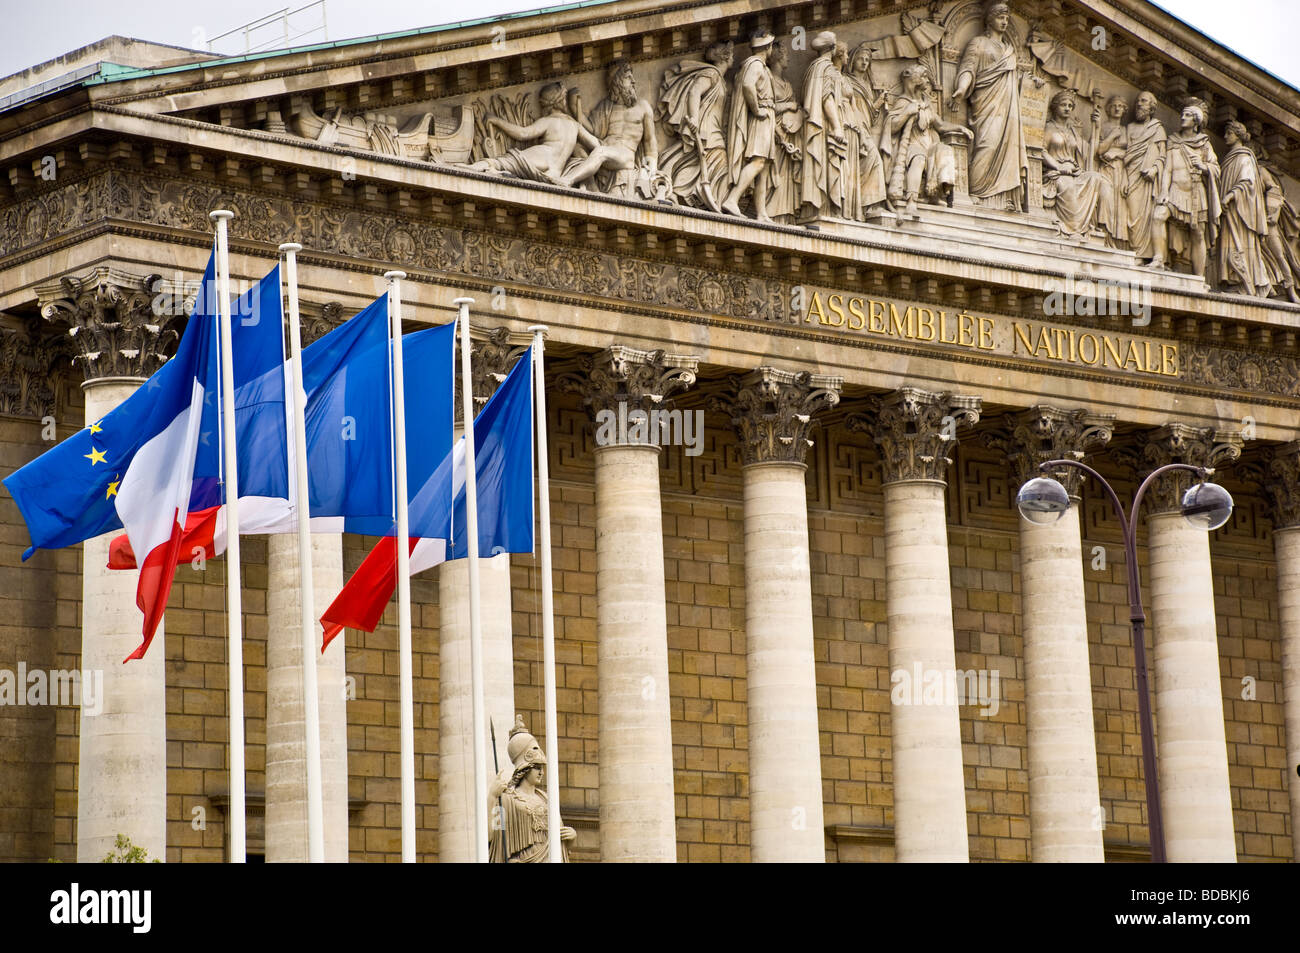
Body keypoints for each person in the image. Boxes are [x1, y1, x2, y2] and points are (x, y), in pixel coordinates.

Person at [947, 1, 1027, 210]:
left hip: (1008, 106)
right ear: (990, 19)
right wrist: (961, 90)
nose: (1004, 22)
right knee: (987, 145)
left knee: (1009, 147)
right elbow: (968, 69)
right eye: (1000, 18)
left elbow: (1016, 79)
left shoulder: (1009, 50)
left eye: (1007, 18)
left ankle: (1003, 198)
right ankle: (978, 191)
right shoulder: (978, 43)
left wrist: (1032, 84)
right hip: (986, 104)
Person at [881, 62, 971, 217]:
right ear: (915, 80)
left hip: (929, 145)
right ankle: (911, 201)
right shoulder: (903, 102)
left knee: (945, 150)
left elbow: (941, 125)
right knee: (919, 158)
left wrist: (960, 128)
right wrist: (907, 113)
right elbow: (892, 126)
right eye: (924, 77)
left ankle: (938, 194)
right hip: (911, 146)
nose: (927, 81)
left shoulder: (926, 104)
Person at [560, 58, 659, 195]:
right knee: (576, 145)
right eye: (628, 78)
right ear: (617, 82)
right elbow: (593, 129)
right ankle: (592, 188)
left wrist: (652, 172)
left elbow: (649, 141)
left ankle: (567, 180)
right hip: (604, 146)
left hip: (625, 155)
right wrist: (573, 106)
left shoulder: (643, 107)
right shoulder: (606, 106)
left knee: (601, 153)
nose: (634, 81)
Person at [488, 716, 577, 863]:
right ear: (524, 768)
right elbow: (491, 836)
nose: (541, 772)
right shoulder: (506, 799)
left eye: (542, 768)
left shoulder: (546, 798)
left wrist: (571, 837)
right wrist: (492, 796)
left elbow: (560, 841)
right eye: (537, 767)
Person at [657, 40, 734, 211]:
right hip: (706, 128)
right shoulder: (712, 73)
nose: (733, 58)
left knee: (704, 162)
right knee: (715, 161)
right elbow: (694, 92)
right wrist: (694, 120)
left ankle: (703, 198)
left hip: (714, 129)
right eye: (732, 54)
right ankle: (682, 191)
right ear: (725, 56)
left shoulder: (721, 80)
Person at [467, 83, 595, 183]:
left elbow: (523, 133)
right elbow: (597, 146)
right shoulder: (576, 126)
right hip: (555, 172)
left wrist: (497, 121)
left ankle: (473, 168)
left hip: (543, 157)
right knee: (510, 166)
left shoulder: (548, 121)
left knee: (507, 161)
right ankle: (496, 173)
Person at [1153, 97, 1220, 277]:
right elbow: (1167, 170)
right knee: (1158, 216)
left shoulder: (1204, 144)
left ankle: (1199, 277)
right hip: (1174, 191)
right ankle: (1158, 259)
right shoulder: (1173, 141)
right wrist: (1163, 192)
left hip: (1195, 193)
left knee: (1198, 234)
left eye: (1188, 115)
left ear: (1196, 122)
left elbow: (1215, 169)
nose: (1183, 117)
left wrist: (1203, 166)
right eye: (1183, 114)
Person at [1041, 90, 1113, 239]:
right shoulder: (1049, 127)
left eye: (1070, 105)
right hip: (1056, 173)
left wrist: (1097, 127)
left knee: (1097, 179)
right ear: (1055, 107)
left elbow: (1089, 152)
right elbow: (1041, 151)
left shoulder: (1073, 131)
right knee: (1066, 186)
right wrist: (1058, 167)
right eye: (1063, 105)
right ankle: (1072, 229)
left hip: (1074, 171)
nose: (1067, 108)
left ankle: (1099, 229)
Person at [722, 30, 777, 221]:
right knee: (758, 161)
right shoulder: (755, 64)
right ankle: (732, 199)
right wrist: (756, 110)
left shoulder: (761, 66)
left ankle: (761, 212)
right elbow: (747, 85)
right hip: (760, 117)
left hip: (767, 117)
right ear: (768, 47)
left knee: (764, 166)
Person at [1216, 121, 1271, 297]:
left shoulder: (1245, 158)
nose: (1225, 136)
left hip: (1240, 213)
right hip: (1228, 211)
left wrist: (1230, 195)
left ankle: (1244, 281)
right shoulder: (1230, 158)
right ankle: (1233, 278)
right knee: (1229, 244)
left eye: (1229, 133)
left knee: (1239, 244)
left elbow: (1247, 183)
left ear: (1238, 135)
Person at [800, 30, 848, 221]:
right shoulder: (826, 68)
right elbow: (826, 98)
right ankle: (825, 207)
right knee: (828, 165)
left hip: (816, 125)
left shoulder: (814, 67)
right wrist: (837, 126)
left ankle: (818, 207)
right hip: (825, 128)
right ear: (833, 47)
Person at [840, 41, 889, 219]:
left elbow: (868, 112)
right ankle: (867, 204)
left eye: (867, 59)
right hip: (853, 126)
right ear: (852, 61)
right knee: (874, 159)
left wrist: (878, 103)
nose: (864, 62)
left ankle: (867, 203)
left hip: (865, 128)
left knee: (872, 161)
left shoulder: (867, 84)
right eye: (860, 58)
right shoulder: (845, 80)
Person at [1122, 90, 1167, 265]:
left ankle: (1142, 255)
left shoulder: (1157, 128)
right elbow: (1126, 152)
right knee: (1132, 216)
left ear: (1152, 107)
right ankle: (1133, 251)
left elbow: (1162, 155)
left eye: (1144, 101)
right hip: (1131, 174)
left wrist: (1155, 169)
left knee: (1147, 216)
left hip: (1148, 178)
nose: (1139, 104)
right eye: (1138, 101)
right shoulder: (1130, 128)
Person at [767, 40, 805, 224]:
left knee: (786, 179)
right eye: (786, 55)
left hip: (789, 136)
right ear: (777, 57)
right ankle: (771, 213)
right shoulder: (768, 80)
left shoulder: (787, 83)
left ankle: (785, 215)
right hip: (774, 136)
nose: (789, 58)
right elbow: (765, 108)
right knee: (772, 177)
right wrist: (789, 105)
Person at [1094, 94, 1129, 246]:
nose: (1117, 109)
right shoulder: (1103, 127)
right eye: (1114, 105)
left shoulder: (1127, 130)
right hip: (1106, 170)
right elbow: (1098, 150)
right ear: (1108, 109)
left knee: (1119, 207)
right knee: (1106, 200)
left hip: (1121, 171)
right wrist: (1112, 136)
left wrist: (1117, 153)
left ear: (1124, 110)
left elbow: (1132, 152)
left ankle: (1114, 241)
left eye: (1120, 106)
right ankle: (1104, 235)